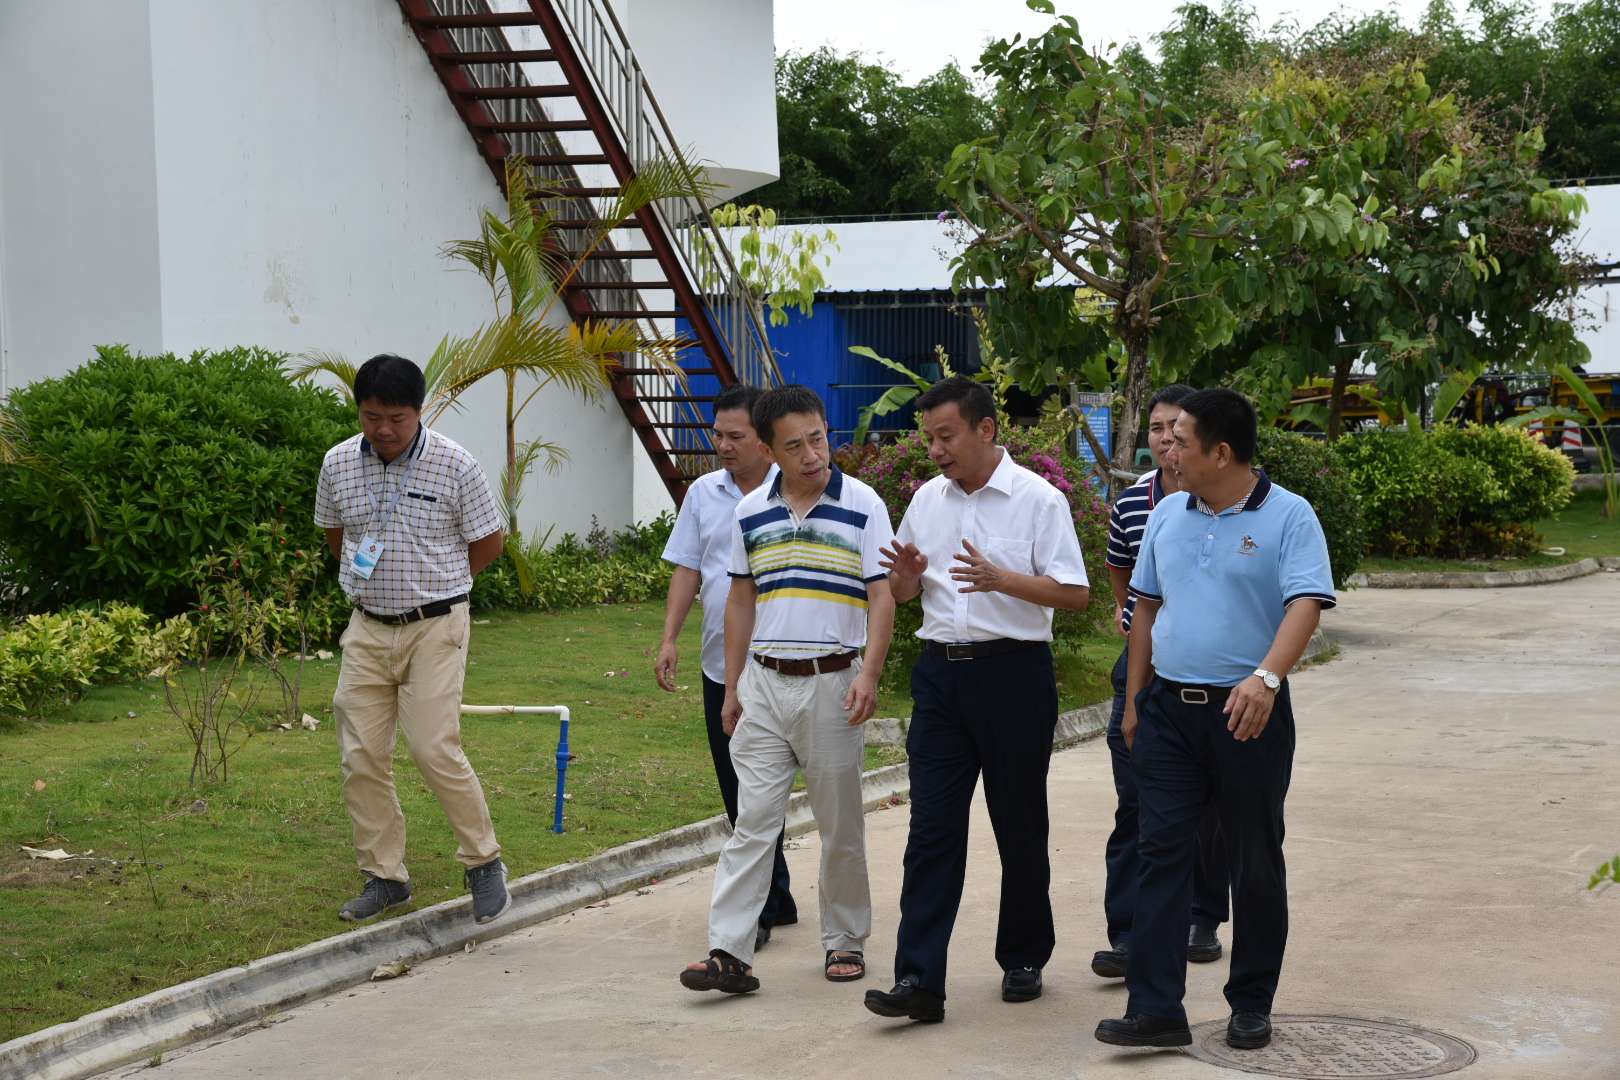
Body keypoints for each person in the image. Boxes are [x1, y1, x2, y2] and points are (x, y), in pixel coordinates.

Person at [1095, 388, 1335, 1051]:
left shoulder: (1290, 515)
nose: (1167, 450)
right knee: (1160, 853)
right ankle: (1155, 1010)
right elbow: (1145, 607)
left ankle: (1250, 1004)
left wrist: (1267, 677)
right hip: (1170, 712)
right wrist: (1136, 699)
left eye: (1181, 441)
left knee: (1253, 859)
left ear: (1221, 453)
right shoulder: (1167, 514)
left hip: (1247, 714)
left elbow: (1306, 603)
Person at [864, 376, 1090, 1024]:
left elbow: (1075, 594)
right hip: (941, 678)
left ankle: (1023, 955)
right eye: (929, 438)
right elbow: (905, 592)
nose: (935, 450)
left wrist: (1003, 579)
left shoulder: (1038, 500)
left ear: (986, 429)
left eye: (946, 436)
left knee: (1019, 825)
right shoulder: (926, 500)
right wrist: (905, 580)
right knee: (931, 831)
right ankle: (918, 979)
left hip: (1014, 676)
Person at [678, 385, 896, 994]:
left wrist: (869, 675)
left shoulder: (864, 504)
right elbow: (740, 598)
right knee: (752, 822)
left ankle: (844, 939)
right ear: (770, 451)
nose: (811, 455)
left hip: (835, 682)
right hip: (764, 684)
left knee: (839, 823)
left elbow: (882, 597)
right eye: (794, 446)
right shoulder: (751, 512)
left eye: (817, 439)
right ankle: (729, 950)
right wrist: (733, 686)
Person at [313, 354, 511, 925]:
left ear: (419, 412)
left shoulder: (455, 464)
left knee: (432, 747)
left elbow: (488, 541)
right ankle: (385, 876)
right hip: (368, 626)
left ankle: (483, 862)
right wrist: (367, 583)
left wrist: (441, 584)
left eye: (396, 418)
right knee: (361, 755)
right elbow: (335, 532)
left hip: (436, 625)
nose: (383, 429)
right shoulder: (338, 462)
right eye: (371, 416)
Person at [1093, 384, 1231, 980]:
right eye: (1156, 429)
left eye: (1176, 429)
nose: (1166, 441)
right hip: (1142, 668)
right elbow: (1121, 575)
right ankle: (1129, 932)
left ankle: (1202, 916)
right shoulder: (1133, 504)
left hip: (1208, 674)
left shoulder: (1232, 501)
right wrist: (1131, 622)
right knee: (1135, 802)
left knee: (1207, 808)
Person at [654, 384, 798, 952]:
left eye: (735, 436)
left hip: (782, 666)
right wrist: (670, 638)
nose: (723, 446)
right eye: (718, 435)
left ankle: (759, 906)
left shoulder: (791, 490)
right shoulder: (703, 493)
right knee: (738, 791)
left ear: (764, 441)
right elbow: (688, 567)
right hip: (721, 668)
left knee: (759, 792)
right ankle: (775, 893)